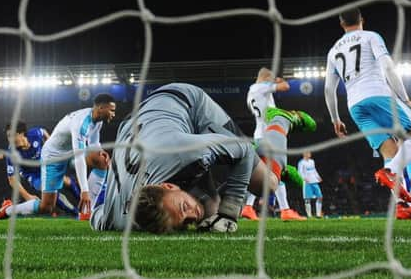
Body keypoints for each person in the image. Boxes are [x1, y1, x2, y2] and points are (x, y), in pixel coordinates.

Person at [90, 83, 316, 234]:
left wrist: (230, 212)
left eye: (184, 207)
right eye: (185, 223)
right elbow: (95, 216)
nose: (192, 214)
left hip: (187, 105)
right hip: (134, 125)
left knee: (267, 184)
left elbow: (241, 151)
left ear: (168, 186)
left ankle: (281, 122)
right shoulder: (119, 219)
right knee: (209, 214)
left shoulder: (183, 153)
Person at [324, 9, 411, 220]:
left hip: (355, 105)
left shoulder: (333, 51)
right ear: (362, 20)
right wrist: (405, 97)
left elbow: (329, 89)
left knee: (389, 150)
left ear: (341, 24)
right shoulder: (371, 36)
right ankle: (390, 171)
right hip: (377, 94)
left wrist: (335, 119)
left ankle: (401, 206)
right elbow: (388, 67)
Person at [0, 93, 116, 220]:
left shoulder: (97, 120)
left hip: (69, 153)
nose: (114, 114)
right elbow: (79, 157)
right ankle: (8, 209)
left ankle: (89, 210)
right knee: (46, 207)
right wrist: (84, 191)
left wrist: (100, 150)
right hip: (53, 158)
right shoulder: (81, 123)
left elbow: (94, 143)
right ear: (101, 108)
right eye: (112, 110)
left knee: (101, 160)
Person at [242, 67, 306, 221]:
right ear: (266, 79)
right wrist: (278, 81)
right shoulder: (261, 87)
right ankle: (285, 210)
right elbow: (286, 87)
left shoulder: (251, 92)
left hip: (260, 135)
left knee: (263, 174)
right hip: (270, 135)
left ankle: (248, 207)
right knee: (277, 172)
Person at [3, 121, 79, 216]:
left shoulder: (35, 133)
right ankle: (76, 213)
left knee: (66, 181)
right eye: (8, 136)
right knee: (45, 188)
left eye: (11, 135)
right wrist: (27, 196)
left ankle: (84, 205)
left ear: (21, 133)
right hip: (33, 175)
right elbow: (12, 180)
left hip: (44, 165)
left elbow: (43, 132)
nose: (10, 139)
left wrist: (51, 147)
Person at [297, 151, 323, 218]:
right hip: (307, 182)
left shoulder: (312, 161)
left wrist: (318, 177)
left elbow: (314, 170)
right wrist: (304, 178)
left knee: (320, 197)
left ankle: (318, 214)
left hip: (314, 181)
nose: (310, 154)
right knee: (307, 199)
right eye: (308, 153)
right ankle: (309, 215)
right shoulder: (301, 162)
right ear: (304, 154)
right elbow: (299, 172)